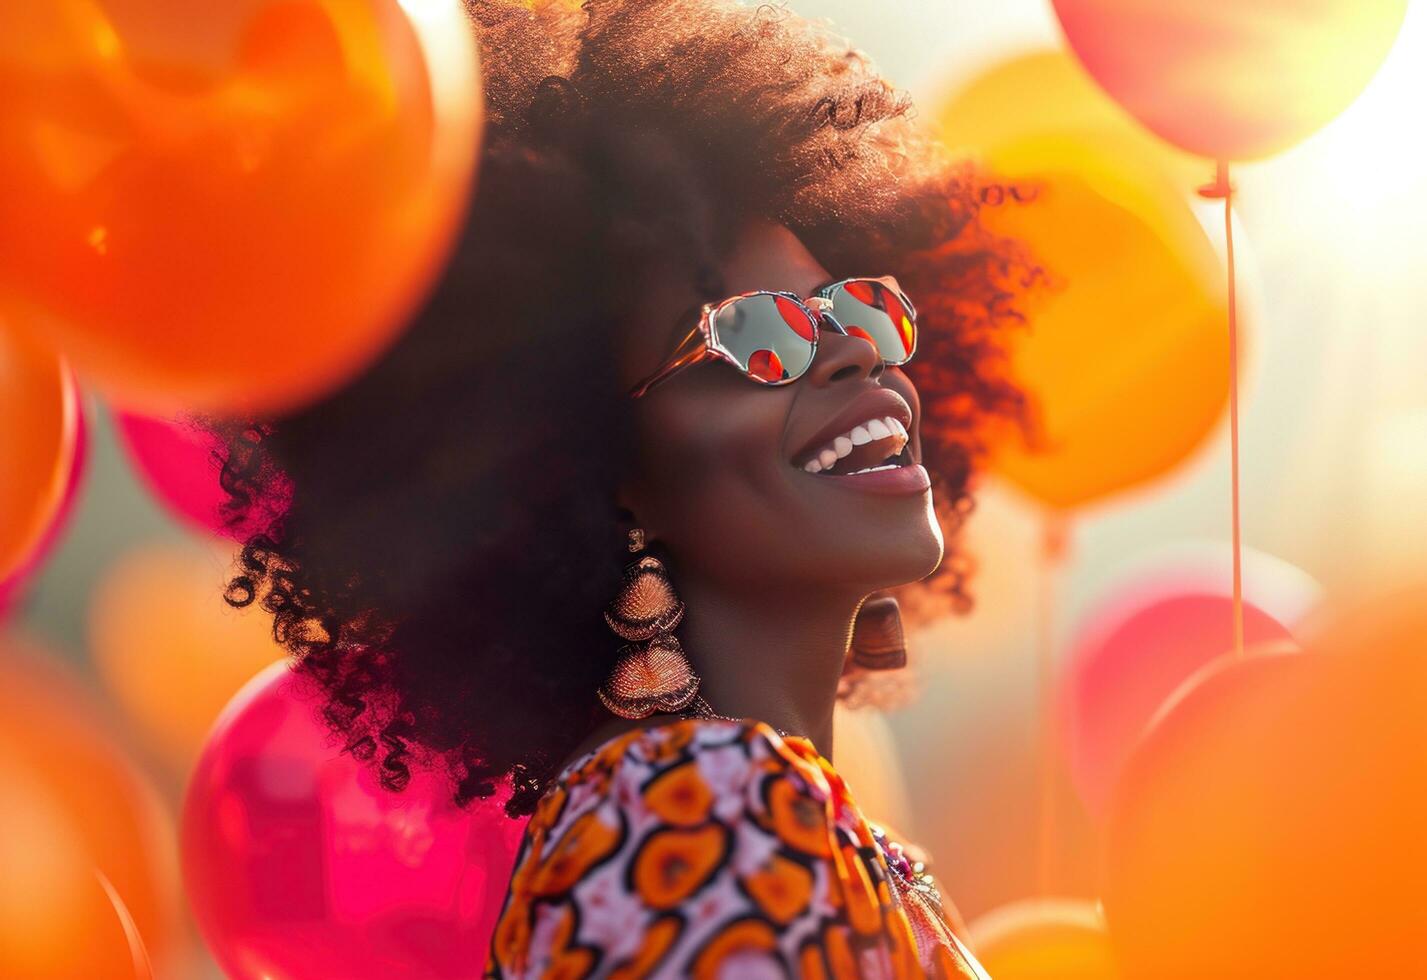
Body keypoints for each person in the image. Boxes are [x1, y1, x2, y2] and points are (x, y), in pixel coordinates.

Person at [203, 0, 1035, 975]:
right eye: (758, 337)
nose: (856, 350)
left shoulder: (755, 807)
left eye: (859, 303)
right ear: (597, 469)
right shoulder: (696, 805)